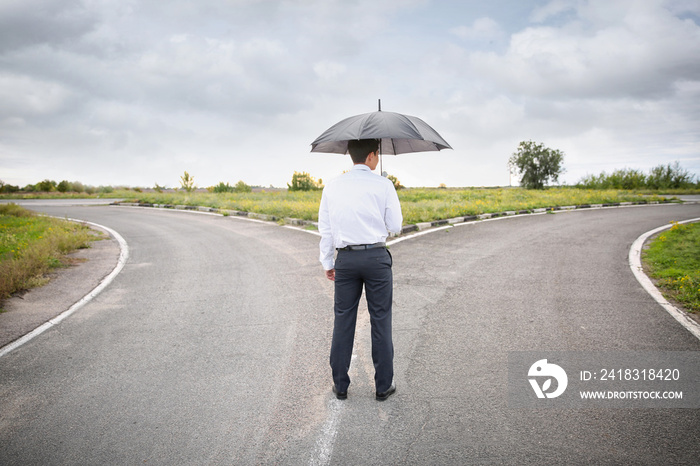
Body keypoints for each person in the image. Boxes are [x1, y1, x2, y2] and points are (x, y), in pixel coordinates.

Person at [318, 138, 403, 401]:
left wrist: (328, 262)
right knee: (381, 320)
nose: (377, 158)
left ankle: (341, 386)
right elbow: (396, 226)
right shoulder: (384, 184)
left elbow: (327, 229)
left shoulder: (332, 186)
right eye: (377, 154)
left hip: (346, 259)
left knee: (343, 320)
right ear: (371, 156)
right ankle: (382, 386)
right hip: (377, 258)